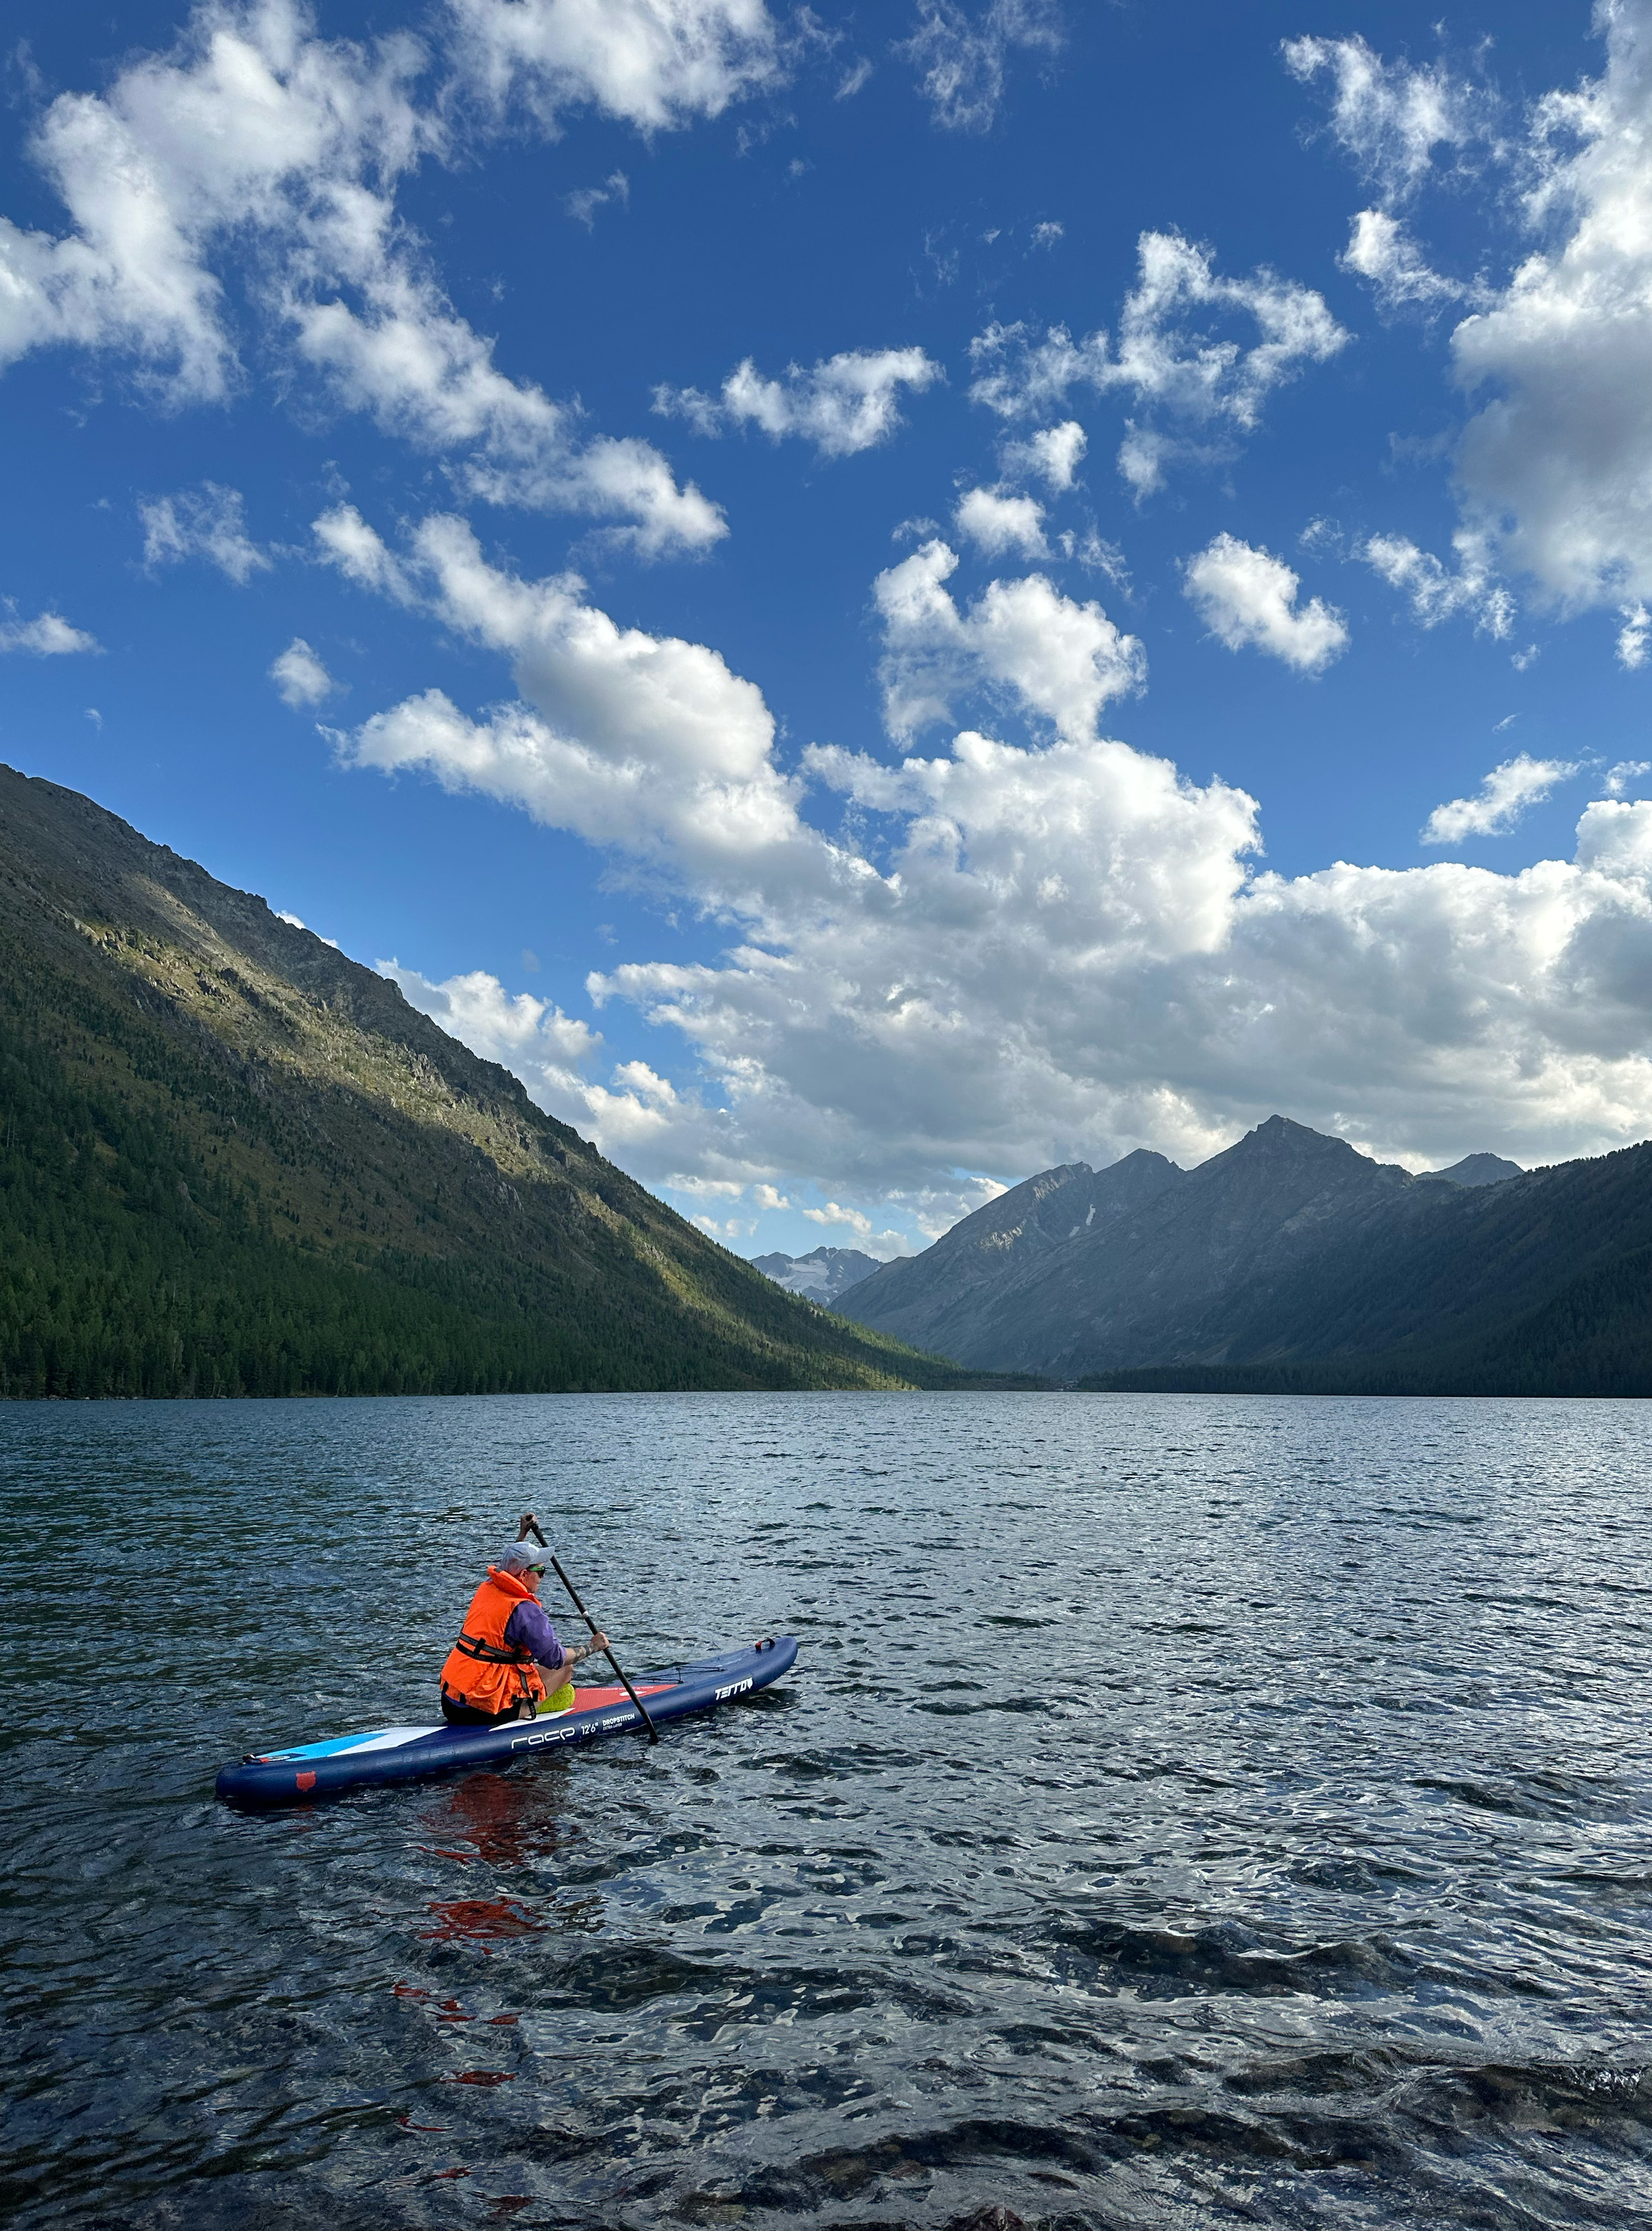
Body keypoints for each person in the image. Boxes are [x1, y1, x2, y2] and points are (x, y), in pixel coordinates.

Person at [439, 1513, 609, 1728]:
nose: (542, 1576)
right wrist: (592, 1647)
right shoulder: (526, 1611)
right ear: (523, 1576)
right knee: (565, 1670)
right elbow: (554, 1658)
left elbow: (507, 1569)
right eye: (540, 1571)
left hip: (451, 1701)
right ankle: (529, 1709)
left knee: (522, 1667)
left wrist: (523, 1535)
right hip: (483, 1710)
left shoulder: (488, 1590)